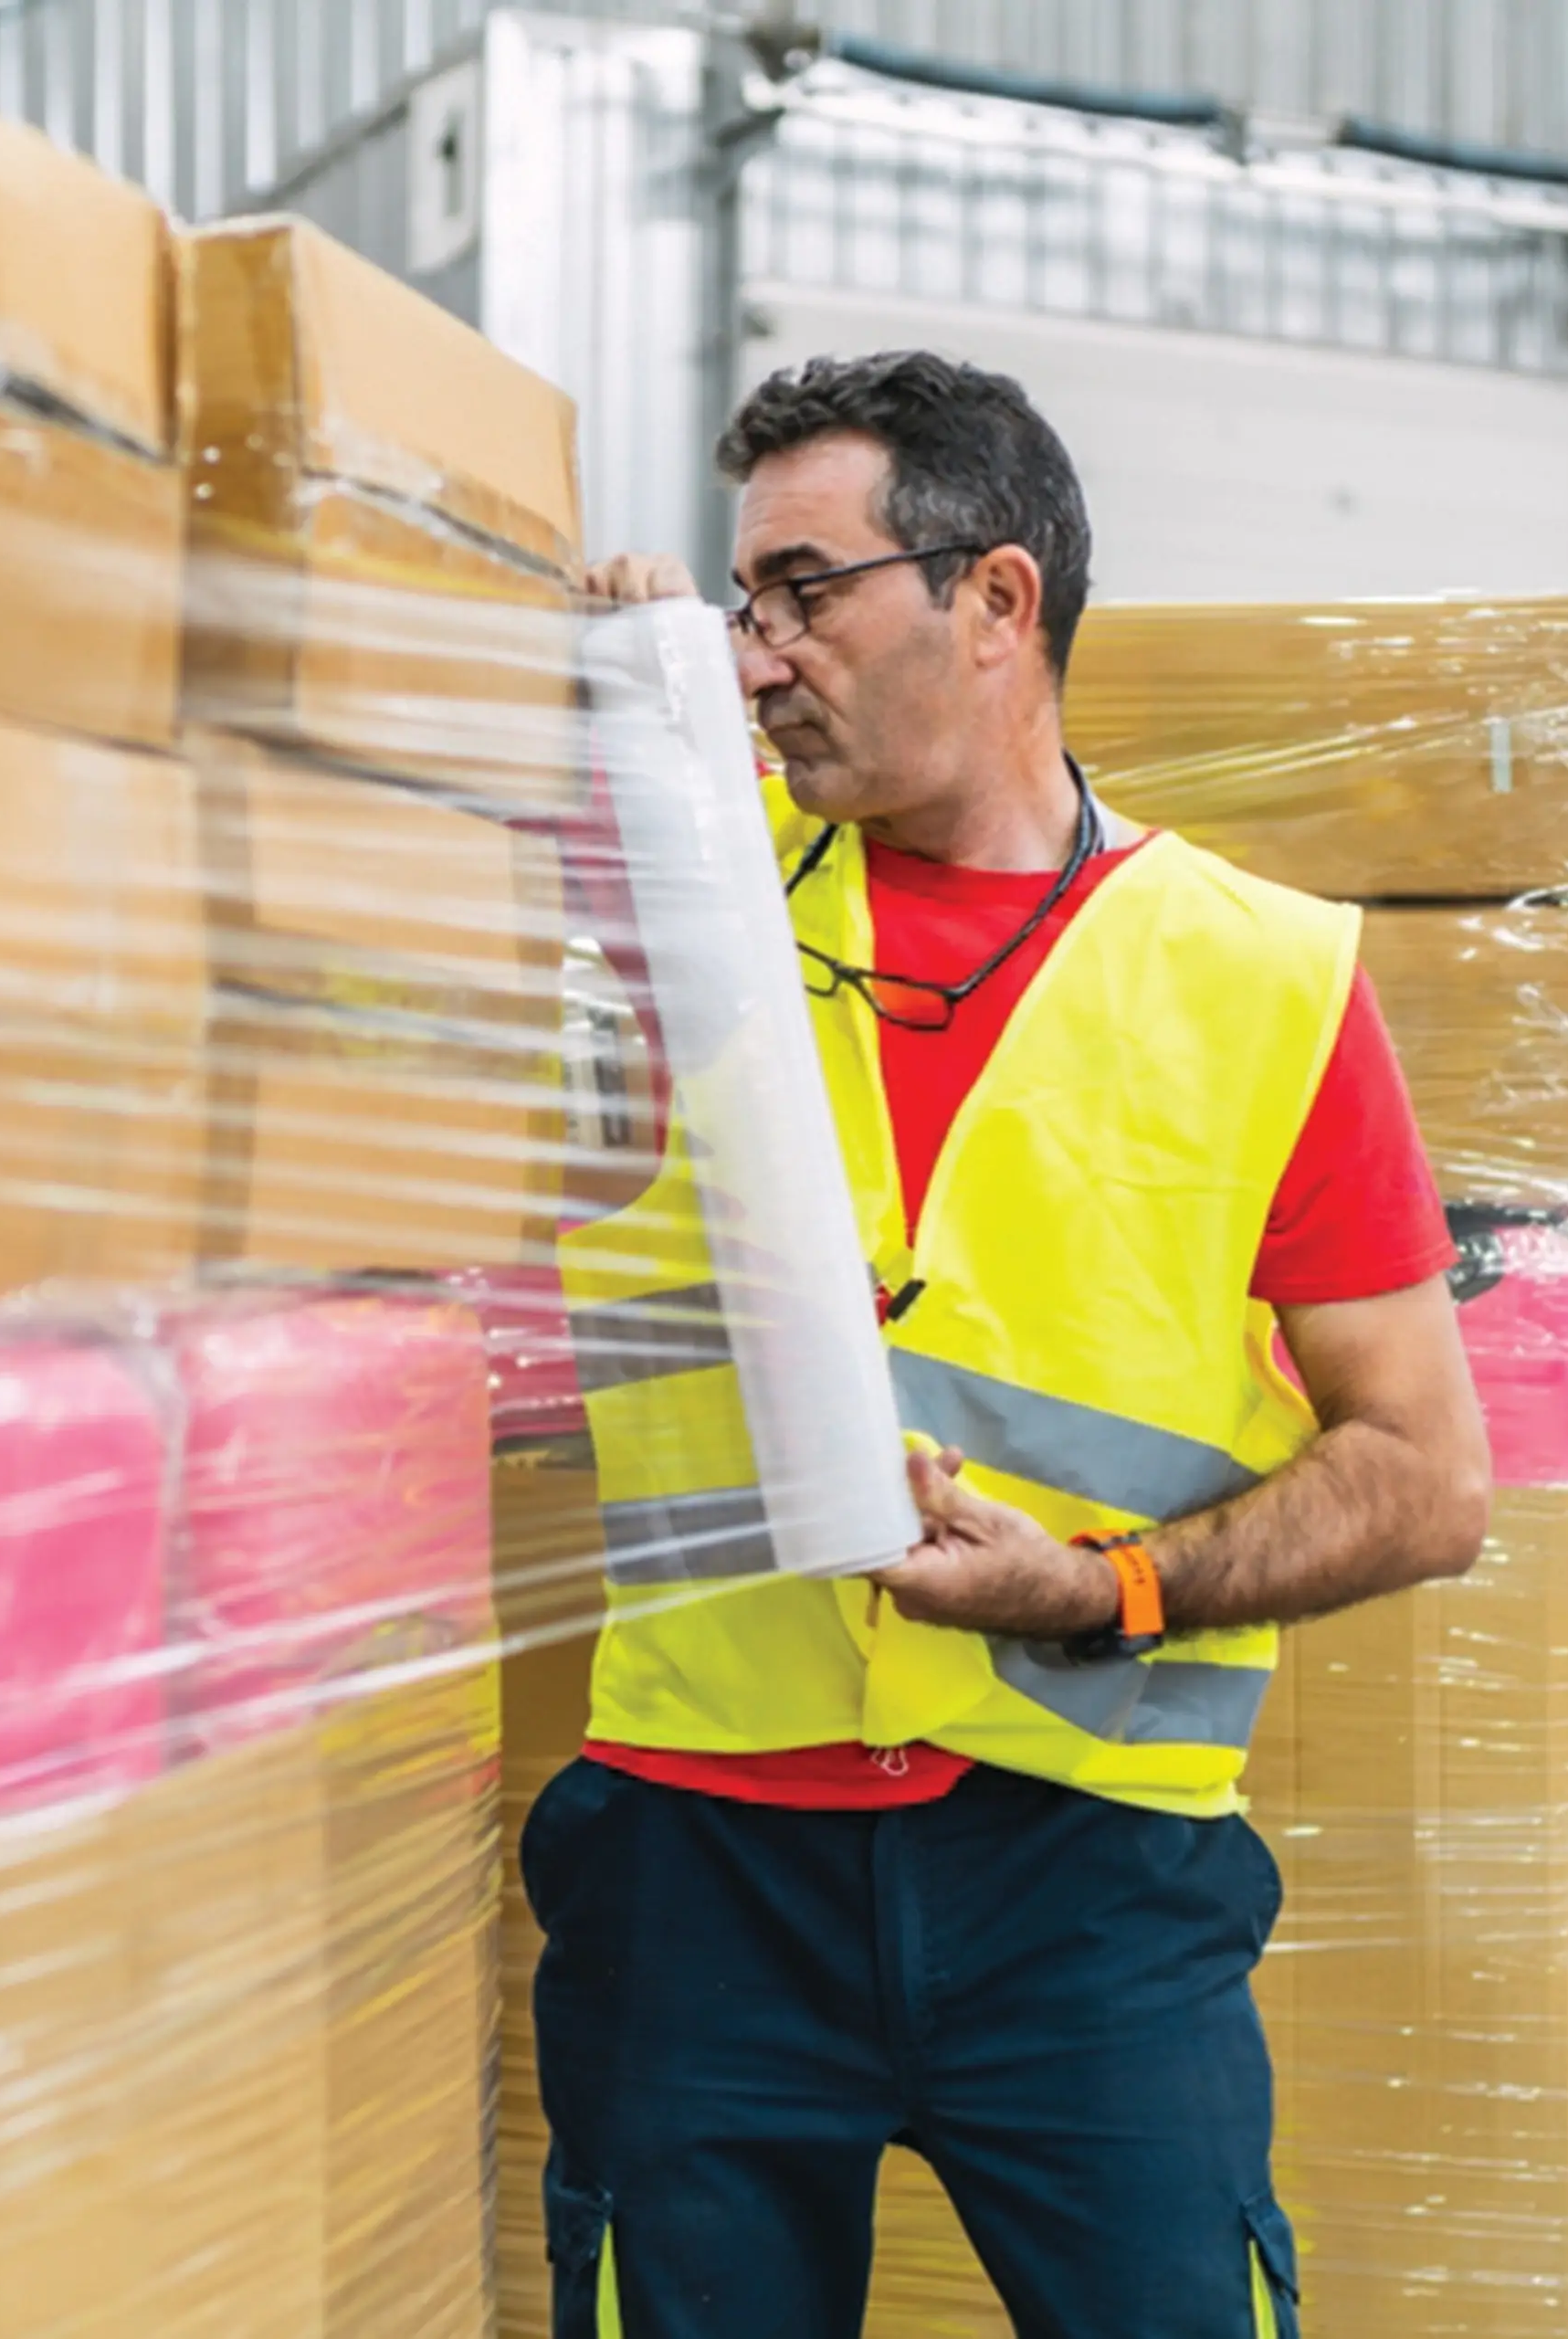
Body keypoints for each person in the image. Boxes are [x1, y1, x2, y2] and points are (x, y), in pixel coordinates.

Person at [536, 351, 1495, 2339]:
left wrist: (1106, 1583)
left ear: (994, 601)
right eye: (743, 603)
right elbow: (371, 1031)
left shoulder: (1257, 972)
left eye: (807, 590)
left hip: (1087, 1887)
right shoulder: (663, 920)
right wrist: (594, 737)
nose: (762, 647)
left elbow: (1425, 1469)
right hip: (700, 1863)